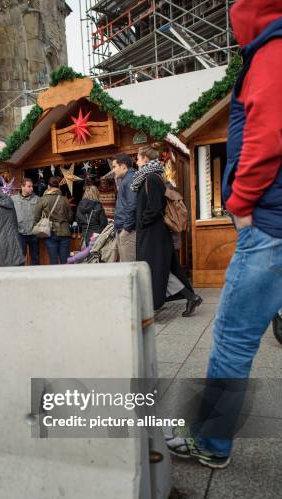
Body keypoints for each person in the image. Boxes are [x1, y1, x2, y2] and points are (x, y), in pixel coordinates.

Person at [166, 0, 282, 468]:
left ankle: (211, 442)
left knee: (234, 339)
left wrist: (238, 202)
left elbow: (268, 133)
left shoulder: (272, 50)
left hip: (269, 226)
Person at [134, 145, 202, 314]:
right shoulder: (148, 177)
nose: (136, 161)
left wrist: (142, 222)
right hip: (153, 232)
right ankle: (190, 297)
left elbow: (155, 207)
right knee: (164, 267)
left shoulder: (152, 178)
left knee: (155, 268)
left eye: (138, 157)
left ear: (145, 159)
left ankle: (157, 304)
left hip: (153, 233)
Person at [34, 177, 72, 265]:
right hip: (65, 232)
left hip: (51, 232)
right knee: (65, 261)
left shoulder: (43, 199)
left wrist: (41, 224)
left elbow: (36, 216)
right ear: (58, 187)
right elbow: (70, 217)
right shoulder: (65, 199)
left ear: (48, 186)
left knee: (53, 260)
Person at [112, 154, 137, 262]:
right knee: (125, 264)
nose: (113, 170)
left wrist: (126, 228)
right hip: (123, 227)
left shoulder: (130, 178)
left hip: (127, 229)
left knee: (129, 265)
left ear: (123, 167)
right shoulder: (126, 179)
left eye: (114, 167)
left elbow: (132, 204)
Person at [12, 177, 40, 265]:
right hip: (20, 234)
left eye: (32, 186)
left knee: (35, 258)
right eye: (29, 186)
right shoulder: (13, 199)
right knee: (20, 259)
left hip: (34, 234)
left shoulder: (37, 199)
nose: (31, 188)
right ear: (22, 187)